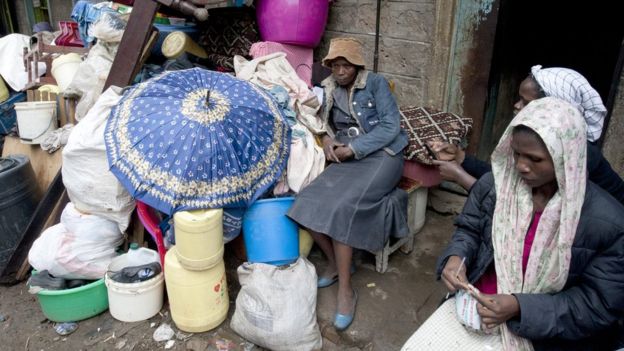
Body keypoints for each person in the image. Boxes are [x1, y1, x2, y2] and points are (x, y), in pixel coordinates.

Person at [401, 97, 624, 351]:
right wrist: (456, 257)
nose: (520, 166)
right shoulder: (494, 187)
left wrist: (519, 307)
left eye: (535, 159)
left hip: (544, 332)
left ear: (566, 157)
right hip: (479, 306)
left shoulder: (608, 224)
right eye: (516, 154)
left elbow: (597, 305)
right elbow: (470, 230)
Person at [287, 37, 409, 331]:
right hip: (348, 156)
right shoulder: (328, 87)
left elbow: (392, 128)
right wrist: (328, 140)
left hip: (384, 157)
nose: (340, 71)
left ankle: (346, 290)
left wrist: (354, 148)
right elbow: (323, 122)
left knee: (342, 208)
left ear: (357, 66)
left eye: (346, 66)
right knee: (304, 202)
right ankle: (337, 263)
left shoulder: (376, 83)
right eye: (335, 65)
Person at [430, 66, 624, 205]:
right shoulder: (537, 141)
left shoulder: (575, 155)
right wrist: (461, 158)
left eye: (526, 102)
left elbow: (520, 206)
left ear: (553, 109)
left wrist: (461, 177)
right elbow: (508, 178)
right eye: (519, 98)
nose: (516, 105)